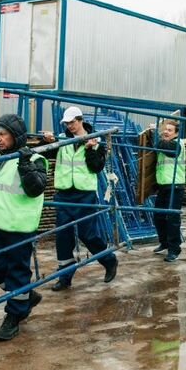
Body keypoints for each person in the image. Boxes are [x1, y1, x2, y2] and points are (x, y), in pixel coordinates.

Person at [0, 114, 48, 341]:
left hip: (20, 227)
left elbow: (36, 189)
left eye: (3, 134)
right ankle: (25, 294)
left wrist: (24, 164)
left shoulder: (35, 159)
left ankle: (14, 316)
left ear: (16, 136)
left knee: (17, 272)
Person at [42, 106, 118, 291]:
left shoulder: (97, 141)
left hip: (85, 194)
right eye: (67, 124)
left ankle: (109, 261)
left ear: (81, 120)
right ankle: (65, 276)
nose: (70, 127)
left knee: (89, 234)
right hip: (64, 193)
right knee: (63, 236)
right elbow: (44, 153)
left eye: (73, 123)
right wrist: (46, 140)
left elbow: (97, 167)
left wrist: (91, 149)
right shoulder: (61, 140)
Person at [152, 120, 186, 263]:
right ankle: (164, 242)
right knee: (158, 216)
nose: (166, 132)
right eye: (165, 129)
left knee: (172, 219)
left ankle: (174, 249)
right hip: (163, 186)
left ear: (176, 133)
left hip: (175, 185)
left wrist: (154, 135)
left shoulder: (177, 144)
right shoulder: (164, 143)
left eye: (170, 130)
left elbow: (169, 150)